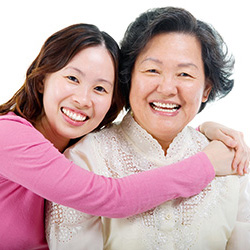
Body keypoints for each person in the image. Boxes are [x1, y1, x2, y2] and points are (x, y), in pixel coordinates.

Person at [0, 23, 248, 250]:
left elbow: (159, 133)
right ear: (42, 79)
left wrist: (204, 131)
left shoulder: (74, 143)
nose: (83, 100)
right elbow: (112, 197)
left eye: (100, 88)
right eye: (72, 78)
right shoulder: (8, 135)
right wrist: (205, 164)